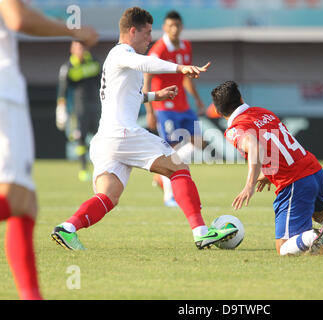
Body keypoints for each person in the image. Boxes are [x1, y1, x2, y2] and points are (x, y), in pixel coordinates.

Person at [51, 7, 238, 251]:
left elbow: (125, 96)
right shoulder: (122, 53)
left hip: (106, 140)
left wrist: (153, 95)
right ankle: (201, 232)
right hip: (124, 134)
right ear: (132, 31)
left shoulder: (116, 59)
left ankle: (68, 228)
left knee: (109, 195)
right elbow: (146, 63)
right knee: (178, 167)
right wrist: (180, 68)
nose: (150, 39)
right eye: (147, 33)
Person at [0, 0, 98, 300]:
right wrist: (74, 30)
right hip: (5, 92)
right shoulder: (69, 64)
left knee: (25, 203)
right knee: (18, 199)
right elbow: (18, 18)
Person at [211, 81, 323, 256]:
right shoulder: (263, 112)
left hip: (294, 182)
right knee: (320, 214)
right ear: (241, 98)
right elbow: (277, 144)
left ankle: (315, 236)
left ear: (219, 112)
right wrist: (267, 173)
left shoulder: (234, 129)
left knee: (283, 248)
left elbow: (255, 147)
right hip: (313, 169)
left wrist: (249, 185)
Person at [143, 10, 206, 207]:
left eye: (177, 25)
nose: (174, 29)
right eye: (170, 25)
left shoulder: (186, 46)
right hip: (164, 106)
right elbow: (147, 77)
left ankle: (162, 177)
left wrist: (197, 99)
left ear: (181, 27)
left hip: (183, 105)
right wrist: (149, 110)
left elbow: (185, 76)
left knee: (199, 142)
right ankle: (169, 196)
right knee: (171, 151)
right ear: (164, 27)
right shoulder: (159, 49)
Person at [56, 41, 102, 182]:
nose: (80, 49)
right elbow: (62, 91)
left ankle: (100, 168)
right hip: (79, 108)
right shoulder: (68, 67)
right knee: (81, 138)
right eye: (77, 47)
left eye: (82, 47)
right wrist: (61, 109)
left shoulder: (94, 63)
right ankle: (83, 169)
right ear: (72, 49)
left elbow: (103, 83)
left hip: (96, 106)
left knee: (100, 139)